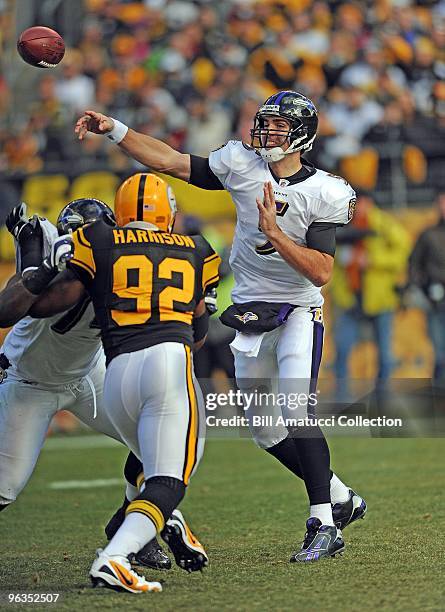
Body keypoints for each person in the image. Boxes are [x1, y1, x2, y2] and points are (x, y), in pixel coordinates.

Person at [73, 90, 366, 563]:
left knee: (295, 412)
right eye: (264, 123)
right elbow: (169, 161)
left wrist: (273, 233)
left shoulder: (325, 191)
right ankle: (341, 496)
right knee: (265, 432)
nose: (265, 133)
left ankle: (324, 523)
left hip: (296, 309)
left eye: (277, 127)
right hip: (250, 311)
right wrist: (117, 131)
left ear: (302, 135)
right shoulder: (241, 163)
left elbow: (321, 272)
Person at [1, 173, 220, 592]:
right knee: (4, 487)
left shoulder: (103, 256)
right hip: (32, 382)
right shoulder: (65, 276)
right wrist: (36, 268)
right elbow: (9, 309)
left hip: (93, 373)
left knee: (149, 443)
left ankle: (133, 529)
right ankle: (150, 522)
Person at [332, 192, 411, 384]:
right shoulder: (342, 224)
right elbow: (327, 256)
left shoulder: (384, 225)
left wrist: (372, 260)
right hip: (348, 297)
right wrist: (341, 259)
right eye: (357, 203)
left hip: (380, 298)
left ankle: (382, 398)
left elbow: (403, 253)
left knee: (384, 353)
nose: (361, 207)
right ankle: (342, 400)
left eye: (365, 202)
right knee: (342, 351)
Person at [409, 190, 445, 381]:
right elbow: (414, 264)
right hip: (436, 301)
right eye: (441, 202)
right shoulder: (428, 235)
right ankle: (439, 397)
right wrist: (423, 288)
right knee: (439, 352)